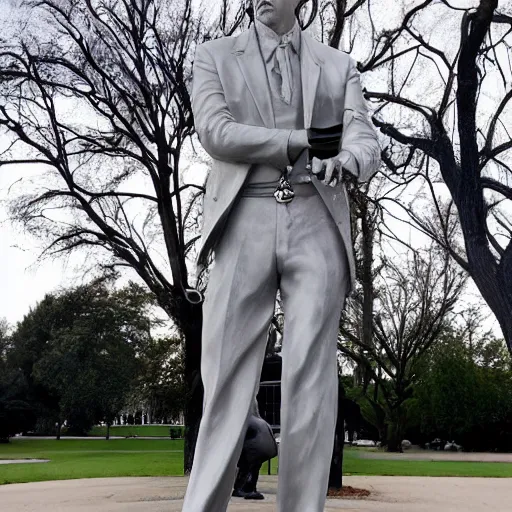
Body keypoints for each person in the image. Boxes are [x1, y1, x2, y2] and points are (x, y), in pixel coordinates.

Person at [182, 0, 380, 510]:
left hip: (317, 217)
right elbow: (215, 132)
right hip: (243, 218)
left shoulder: (338, 66)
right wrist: (298, 141)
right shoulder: (213, 56)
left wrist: (350, 159)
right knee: (224, 378)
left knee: (311, 380)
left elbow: (364, 136)